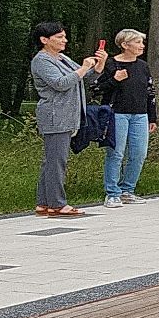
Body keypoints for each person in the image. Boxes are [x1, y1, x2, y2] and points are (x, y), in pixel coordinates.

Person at [31, 21, 105, 216]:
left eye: (64, 36)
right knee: (57, 161)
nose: (64, 40)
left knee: (51, 161)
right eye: (59, 37)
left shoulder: (61, 58)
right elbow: (60, 83)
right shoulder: (42, 60)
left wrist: (99, 65)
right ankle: (57, 204)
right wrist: (83, 67)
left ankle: (43, 203)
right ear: (44, 40)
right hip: (55, 116)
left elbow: (83, 78)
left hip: (68, 115)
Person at [97, 29, 156, 209]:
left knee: (139, 153)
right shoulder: (111, 64)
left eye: (141, 42)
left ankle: (127, 189)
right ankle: (112, 193)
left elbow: (150, 91)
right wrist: (115, 79)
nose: (142, 46)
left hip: (140, 115)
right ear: (125, 45)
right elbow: (97, 88)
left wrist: (152, 117)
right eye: (138, 42)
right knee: (116, 153)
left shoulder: (143, 66)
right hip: (117, 114)